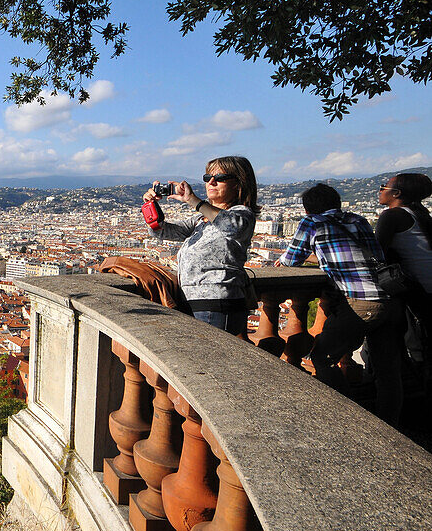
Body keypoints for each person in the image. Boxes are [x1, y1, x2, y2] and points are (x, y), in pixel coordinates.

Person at [276, 183, 404, 425]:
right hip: (391, 299)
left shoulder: (312, 222)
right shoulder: (358, 220)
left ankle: (349, 418)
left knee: (321, 356)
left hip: (362, 302)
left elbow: (290, 259)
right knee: (388, 371)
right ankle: (390, 425)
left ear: (307, 209)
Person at [143, 155, 259, 335]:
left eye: (220, 178)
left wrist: (194, 201)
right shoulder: (200, 220)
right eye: (207, 178)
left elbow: (230, 225)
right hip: (193, 302)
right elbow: (164, 232)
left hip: (218, 302)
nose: (211, 182)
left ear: (239, 183)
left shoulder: (243, 215)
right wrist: (151, 207)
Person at [376, 172, 432, 371]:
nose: (381, 190)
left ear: (396, 193)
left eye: (384, 186)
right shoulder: (419, 213)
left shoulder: (392, 215)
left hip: (416, 295)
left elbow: (376, 254)